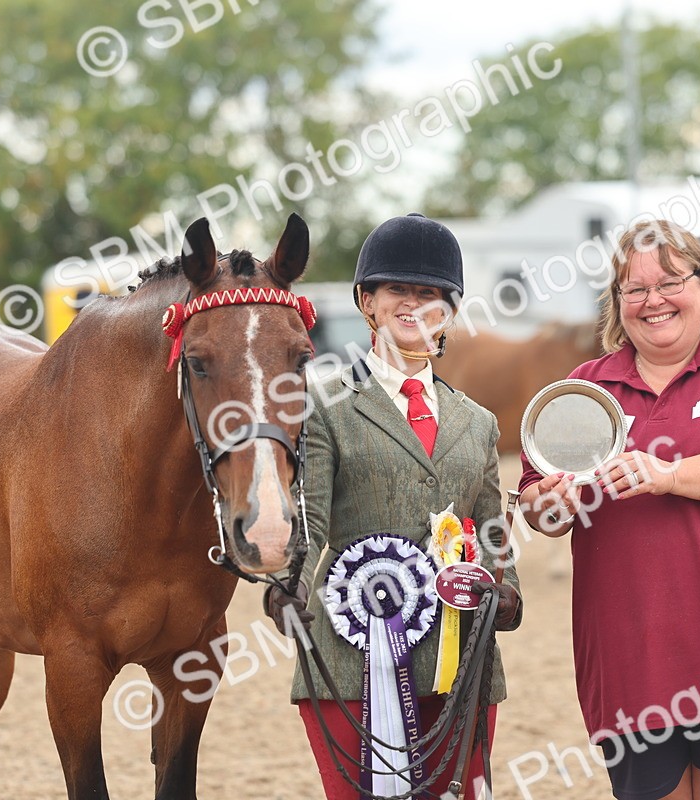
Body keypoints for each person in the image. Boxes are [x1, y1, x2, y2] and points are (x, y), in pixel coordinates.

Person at [518, 219, 700, 800]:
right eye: (634, 288)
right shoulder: (586, 387)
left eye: (671, 281)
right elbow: (540, 508)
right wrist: (548, 502)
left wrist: (669, 474)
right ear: (618, 304)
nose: (653, 300)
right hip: (631, 663)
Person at [265, 212, 523, 799]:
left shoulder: (478, 422)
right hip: (353, 661)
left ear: (449, 310)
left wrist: (507, 591)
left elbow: (491, 533)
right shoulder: (324, 408)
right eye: (397, 291)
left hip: (462, 664)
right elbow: (312, 519)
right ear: (367, 302)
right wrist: (291, 584)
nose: (413, 305)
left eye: (429, 294)